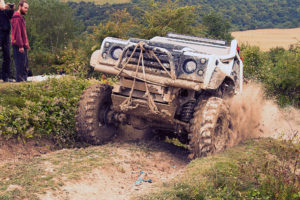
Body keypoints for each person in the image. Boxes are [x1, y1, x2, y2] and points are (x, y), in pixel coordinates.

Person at [11, 0, 29, 82]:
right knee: (20, 66)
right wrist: (21, 46)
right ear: (20, 7)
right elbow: (17, 33)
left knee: (24, 66)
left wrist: (26, 45)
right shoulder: (16, 18)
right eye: (25, 8)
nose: (26, 10)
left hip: (23, 45)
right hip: (19, 46)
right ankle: (20, 85)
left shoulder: (20, 17)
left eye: (27, 8)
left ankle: (24, 83)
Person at [0, 0, 14, 82]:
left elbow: (10, 16)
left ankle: (5, 77)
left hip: (6, 34)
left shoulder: (5, 10)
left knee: (7, 56)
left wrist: (11, 9)